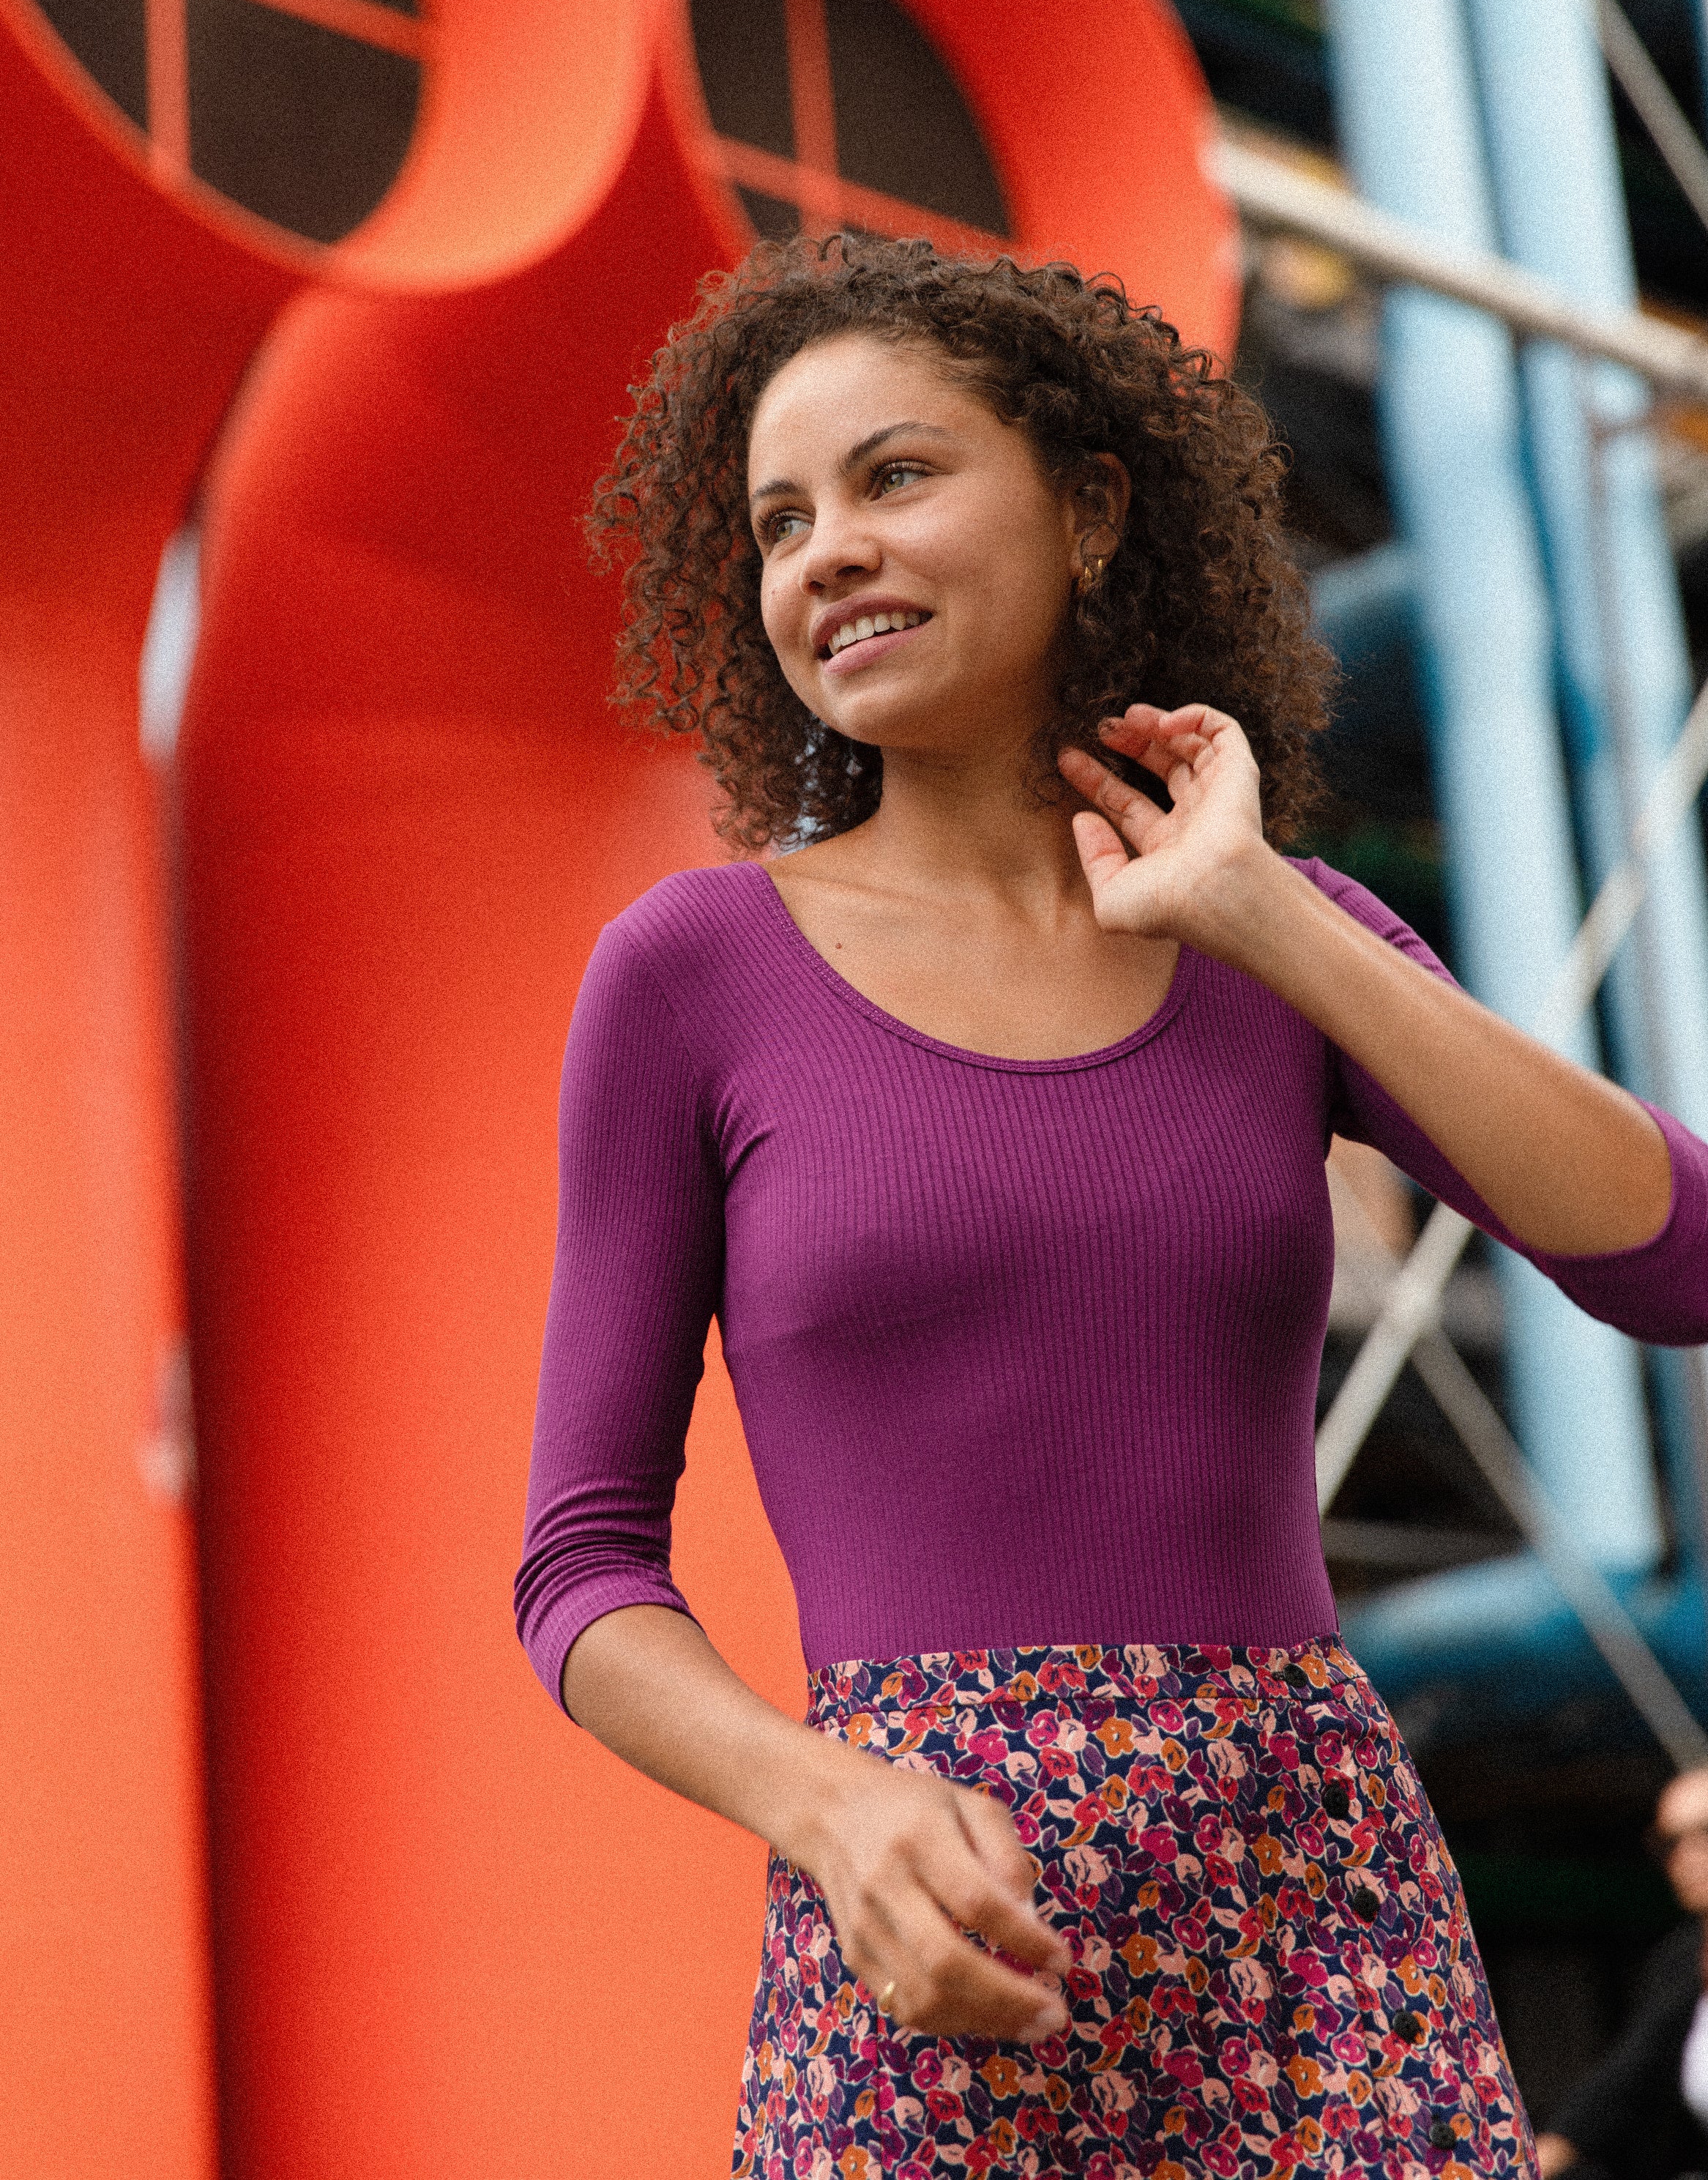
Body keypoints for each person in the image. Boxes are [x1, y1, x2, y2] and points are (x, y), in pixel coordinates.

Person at [514, 234, 1708, 2176]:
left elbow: (1672, 1254)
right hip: (934, 1920)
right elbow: (578, 1568)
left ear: (1086, 510)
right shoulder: (691, 973)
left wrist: (1265, 917)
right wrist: (828, 1807)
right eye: (778, 517)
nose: (823, 550)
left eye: (894, 475)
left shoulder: (1273, 934)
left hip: (1312, 1904)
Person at [1535, 1768, 1708, 2180]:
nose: (1682, 1856)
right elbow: (1625, 2080)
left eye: (1703, 1832)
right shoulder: (1681, 1958)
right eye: (1667, 1842)